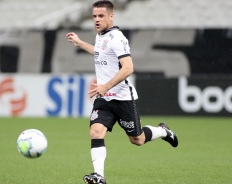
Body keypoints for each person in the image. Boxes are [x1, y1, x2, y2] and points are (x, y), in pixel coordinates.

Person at [66, 1, 178, 184]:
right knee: (96, 132)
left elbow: (128, 68)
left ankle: (162, 131)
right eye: (94, 16)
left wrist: (106, 86)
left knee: (138, 139)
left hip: (123, 97)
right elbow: (100, 54)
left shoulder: (117, 38)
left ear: (111, 16)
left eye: (101, 16)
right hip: (104, 99)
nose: (96, 20)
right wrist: (80, 44)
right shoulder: (100, 36)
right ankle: (99, 176)